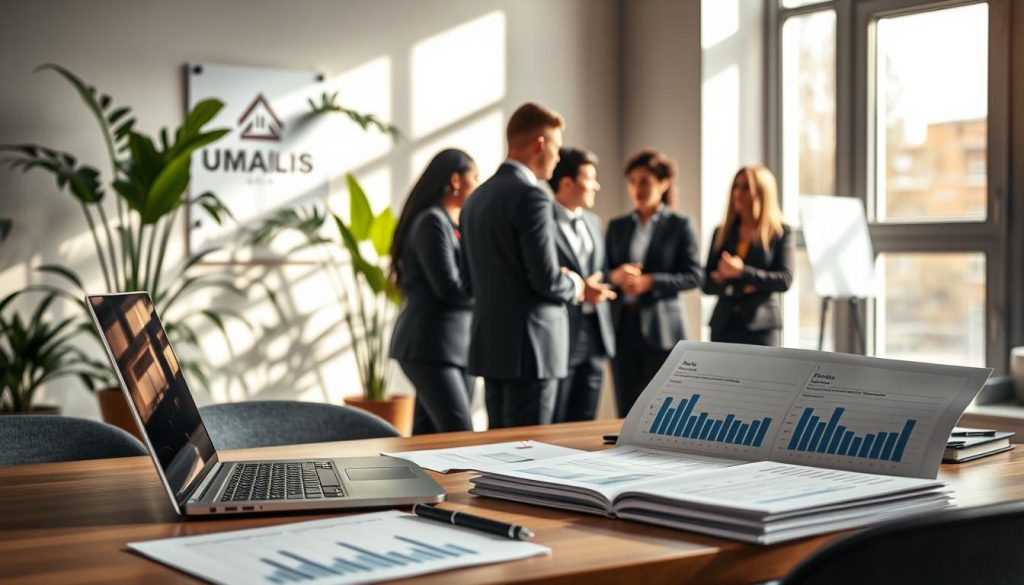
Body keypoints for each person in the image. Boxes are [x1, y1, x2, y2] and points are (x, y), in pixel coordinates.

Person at [460, 103, 614, 428]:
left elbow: (472, 278)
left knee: (495, 448)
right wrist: (577, 284)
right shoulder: (533, 197)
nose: (558, 158)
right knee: (526, 454)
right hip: (533, 348)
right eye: (556, 148)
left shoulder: (476, 198)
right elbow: (545, 279)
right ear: (540, 145)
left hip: (491, 343)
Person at [606, 149, 703, 417]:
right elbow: (603, 273)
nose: (637, 188)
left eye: (645, 181)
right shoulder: (618, 226)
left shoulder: (679, 225)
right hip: (622, 326)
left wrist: (651, 281)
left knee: (662, 410)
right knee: (625, 410)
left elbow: (695, 275)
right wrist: (615, 276)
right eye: (633, 181)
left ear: (663, 183)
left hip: (662, 330)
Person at [389, 149, 479, 434]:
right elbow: (449, 289)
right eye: (474, 177)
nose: (478, 184)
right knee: (460, 435)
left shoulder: (451, 223)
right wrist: (492, 296)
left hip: (451, 348)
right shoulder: (431, 221)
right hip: (430, 346)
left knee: (428, 439)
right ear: (455, 180)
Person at [548, 147, 616, 423]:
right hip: (562, 331)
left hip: (596, 333)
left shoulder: (593, 221)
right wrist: (579, 289)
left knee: (586, 419)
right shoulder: (542, 220)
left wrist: (613, 279)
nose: (597, 186)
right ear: (567, 183)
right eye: (590, 178)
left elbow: (598, 272)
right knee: (557, 416)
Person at [703, 165, 793, 346]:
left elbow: (784, 279)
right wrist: (738, 285)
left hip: (761, 328)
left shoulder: (780, 232)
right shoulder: (722, 232)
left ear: (762, 193)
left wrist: (742, 272)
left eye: (746, 187)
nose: (738, 193)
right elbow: (705, 283)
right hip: (723, 326)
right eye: (736, 186)